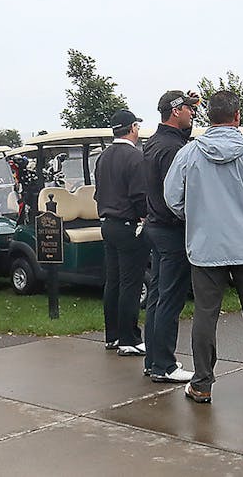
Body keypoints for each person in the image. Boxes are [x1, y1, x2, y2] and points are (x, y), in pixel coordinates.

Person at [165, 90, 243, 403]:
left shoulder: (190, 153)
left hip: (206, 247)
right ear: (237, 116)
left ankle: (202, 383)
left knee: (205, 315)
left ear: (208, 117)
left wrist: (195, 215)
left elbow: (172, 198)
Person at [141, 89, 198, 383]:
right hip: (172, 228)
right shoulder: (174, 148)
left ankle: (153, 360)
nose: (193, 113)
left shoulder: (154, 142)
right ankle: (164, 364)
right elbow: (180, 191)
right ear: (176, 111)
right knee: (170, 299)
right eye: (189, 109)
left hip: (156, 226)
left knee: (158, 296)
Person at [95, 109, 150, 357]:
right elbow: (139, 194)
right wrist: (145, 215)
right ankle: (129, 338)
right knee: (131, 283)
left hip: (108, 223)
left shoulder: (103, 157)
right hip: (128, 225)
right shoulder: (134, 157)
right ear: (132, 128)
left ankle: (113, 335)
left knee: (114, 281)